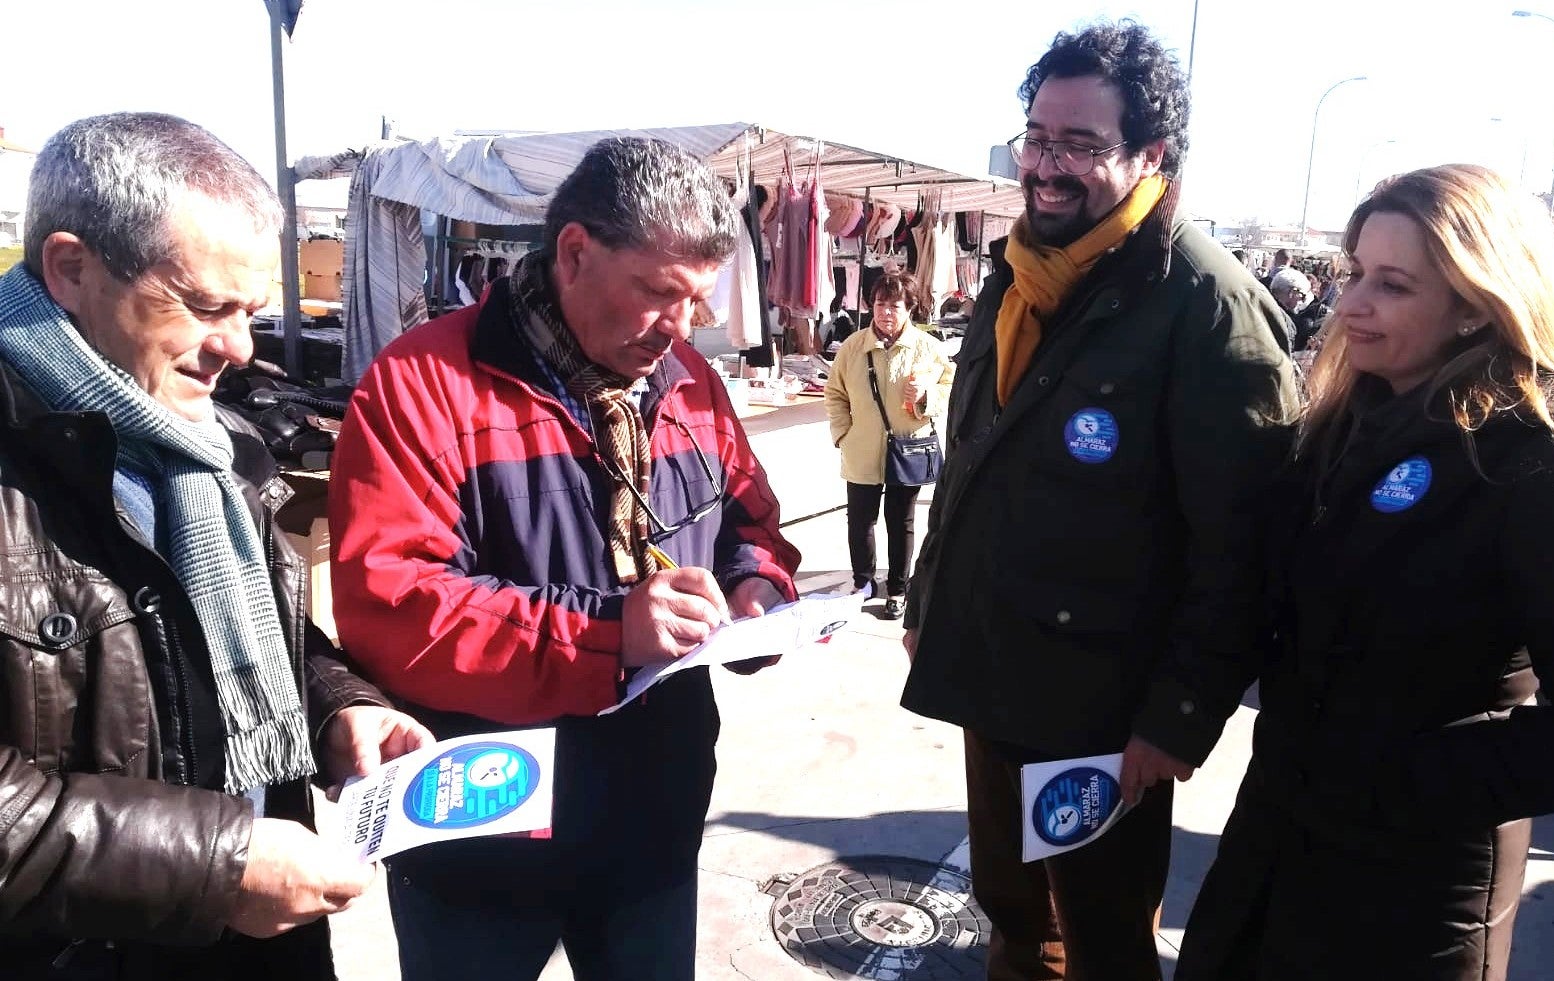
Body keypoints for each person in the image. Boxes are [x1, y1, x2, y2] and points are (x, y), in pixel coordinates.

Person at [328, 137, 801, 981]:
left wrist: (759, 590)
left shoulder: (689, 379)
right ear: (575, 252)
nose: (683, 327)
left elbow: (752, 524)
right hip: (480, 832)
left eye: (697, 299)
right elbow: (394, 609)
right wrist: (610, 633)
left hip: (653, 819)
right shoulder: (422, 384)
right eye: (659, 293)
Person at [899, 22, 1300, 980]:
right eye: (1038, 136)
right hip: (993, 672)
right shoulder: (1019, 272)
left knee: (1105, 944)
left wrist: (1176, 717)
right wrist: (927, 598)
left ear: (1150, 154)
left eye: (1081, 144)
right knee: (1014, 924)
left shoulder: (1206, 304)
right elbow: (969, 462)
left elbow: (1244, 543)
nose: (1046, 165)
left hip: (1103, 713)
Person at [0, 112, 432, 981]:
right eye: (205, 307)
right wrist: (214, 864)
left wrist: (335, 706)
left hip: (261, 946)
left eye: (249, 311)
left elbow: (246, 632)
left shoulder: (216, 438)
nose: (238, 347)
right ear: (71, 267)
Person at [1176, 164, 1554, 980]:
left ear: (1477, 302)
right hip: (1278, 838)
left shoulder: (1541, 465)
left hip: (1413, 886)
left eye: (1393, 284)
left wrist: (1406, 781)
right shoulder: (1344, 426)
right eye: (1355, 273)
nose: (1352, 303)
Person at [824, 269, 955, 618]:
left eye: (895, 305)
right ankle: (863, 581)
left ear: (909, 308)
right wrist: (843, 434)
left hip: (909, 448)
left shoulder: (928, 348)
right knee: (860, 520)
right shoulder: (852, 346)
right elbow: (834, 393)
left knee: (902, 522)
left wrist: (926, 398)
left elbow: (949, 386)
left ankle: (898, 587)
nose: (886, 312)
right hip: (861, 449)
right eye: (881, 304)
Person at [1269, 266, 1317, 351]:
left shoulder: (1260, 305)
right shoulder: (1285, 322)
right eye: (1302, 296)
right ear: (1292, 292)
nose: (1302, 302)